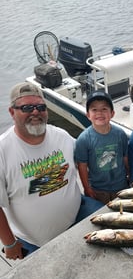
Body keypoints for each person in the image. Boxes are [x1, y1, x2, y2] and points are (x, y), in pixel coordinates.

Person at [0, 82, 103, 260]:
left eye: (41, 107)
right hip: (33, 240)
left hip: (78, 213)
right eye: (27, 107)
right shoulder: (3, 150)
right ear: (12, 112)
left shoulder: (61, 136)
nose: (35, 112)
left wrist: (90, 186)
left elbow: (84, 160)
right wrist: (9, 243)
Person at [74, 91, 130, 204]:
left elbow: (125, 157)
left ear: (112, 113)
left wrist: (130, 175)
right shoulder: (83, 139)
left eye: (104, 109)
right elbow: (82, 166)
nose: (99, 113)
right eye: (94, 110)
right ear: (88, 115)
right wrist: (87, 188)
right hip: (98, 190)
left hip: (121, 185)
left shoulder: (120, 134)